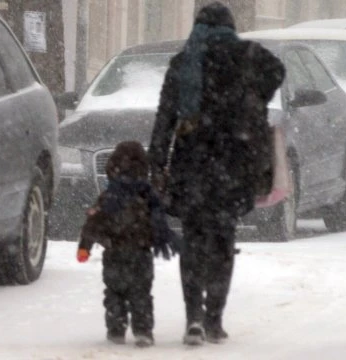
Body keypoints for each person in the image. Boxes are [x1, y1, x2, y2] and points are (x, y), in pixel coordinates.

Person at [148, 2, 285, 345]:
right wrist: (253, 99)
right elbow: (278, 71)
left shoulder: (183, 63)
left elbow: (165, 116)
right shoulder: (249, 55)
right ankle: (214, 319)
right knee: (223, 239)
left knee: (193, 241)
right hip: (235, 162)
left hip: (192, 163)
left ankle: (193, 316)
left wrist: (157, 162)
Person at [76, 141, 180, 348]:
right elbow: (159, 220)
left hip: (114, 254)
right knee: (141, 294)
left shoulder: (108, 197)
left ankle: (116, 329)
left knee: (114, 294)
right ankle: (143, 331)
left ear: (112, 167)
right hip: (141, 255)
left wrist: (84, 247)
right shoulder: (148, 196)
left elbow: (93, 223)